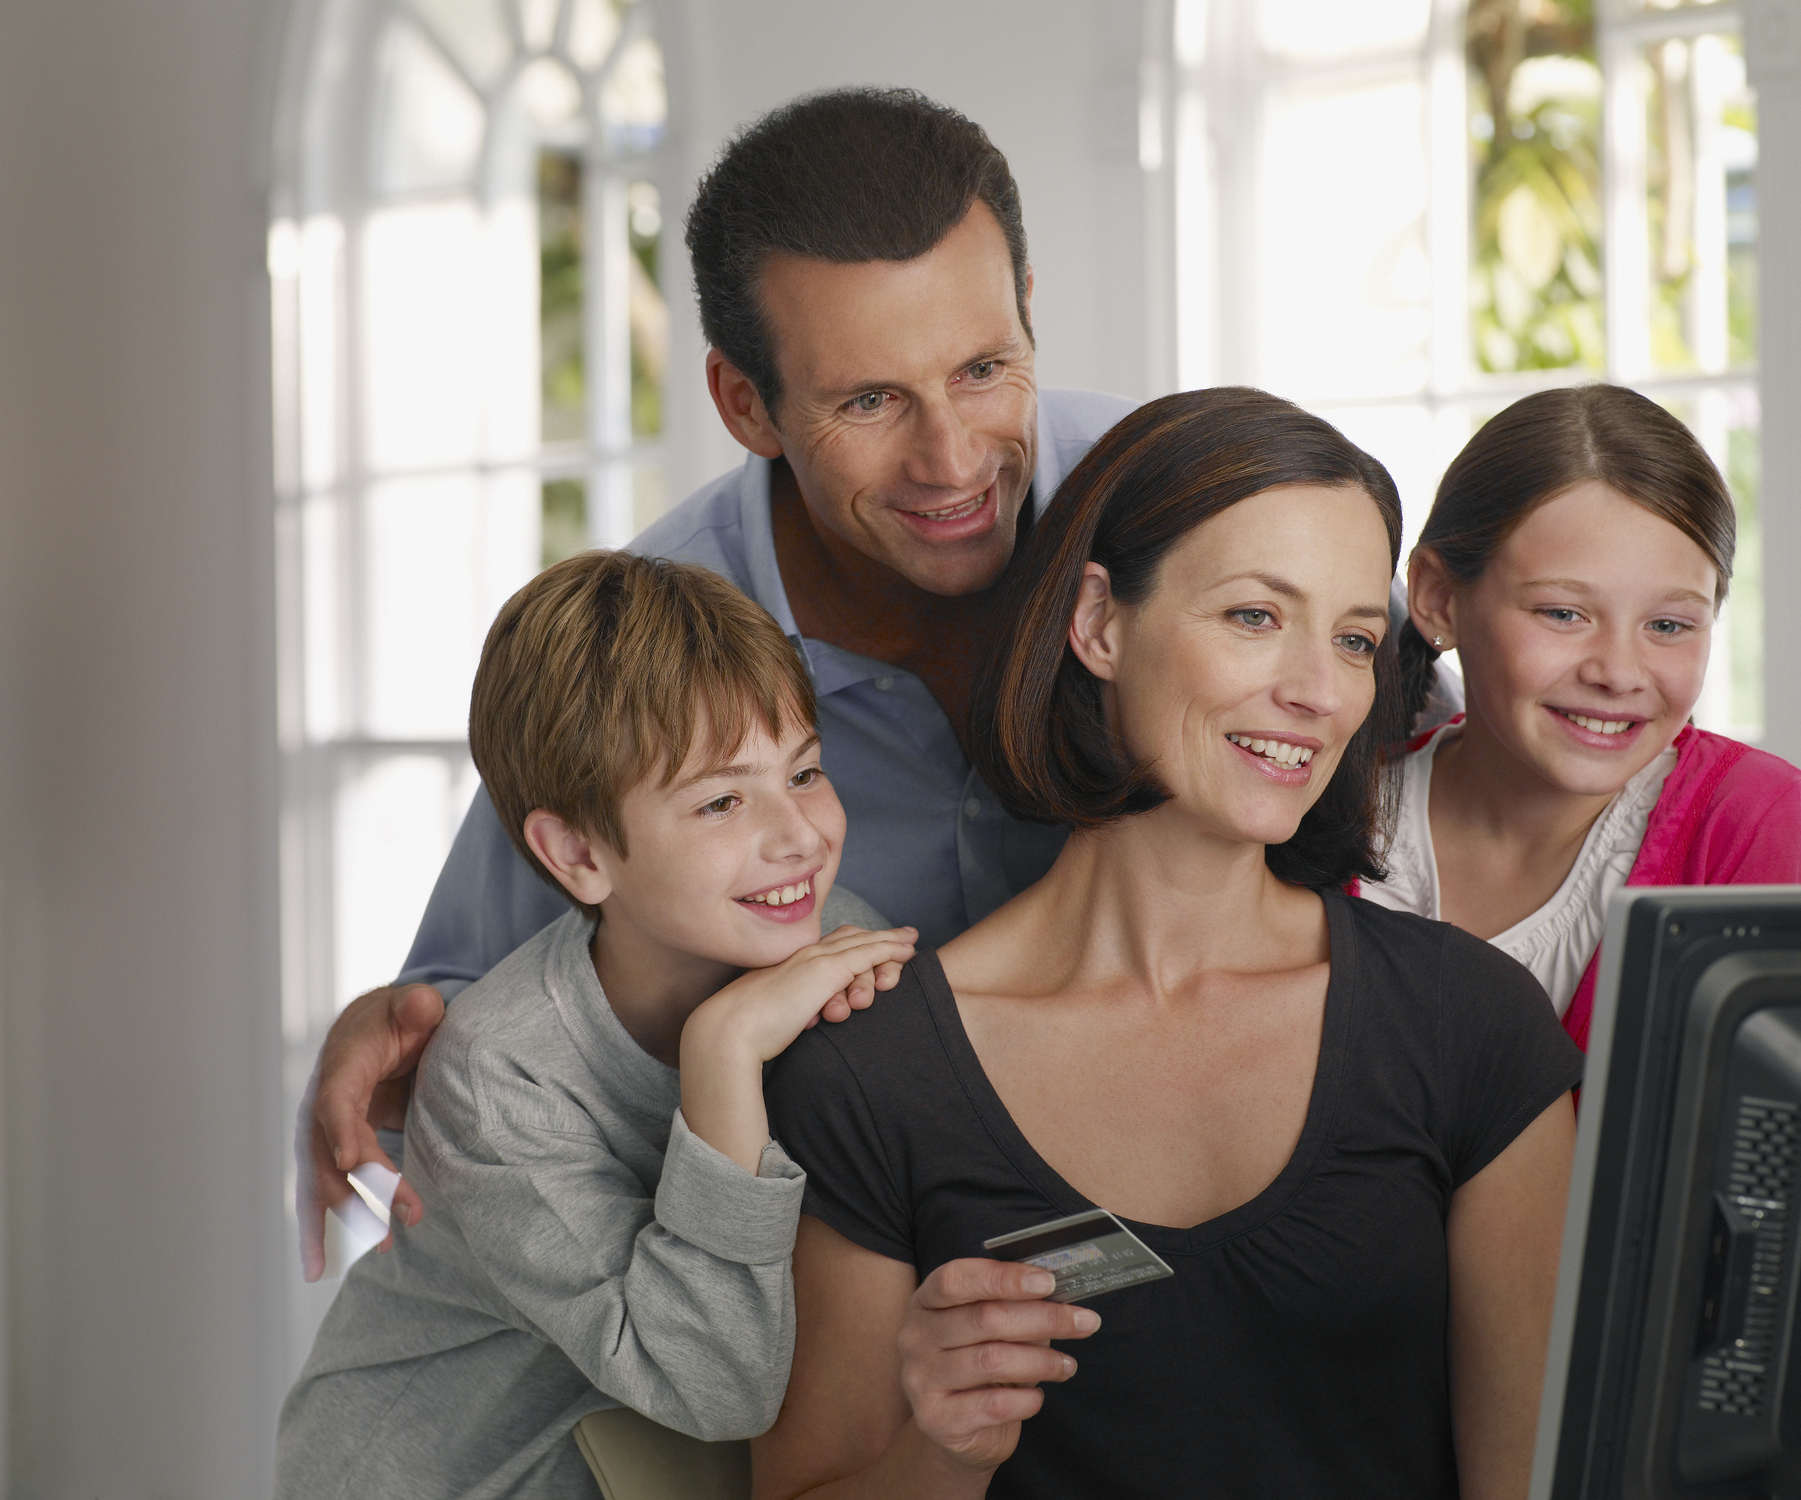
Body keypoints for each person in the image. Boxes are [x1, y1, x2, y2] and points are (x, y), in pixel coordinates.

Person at [292, 82, 1468, 1278]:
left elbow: (1433, 749)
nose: (952, 460)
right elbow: (480, 1015)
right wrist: (396, 1035)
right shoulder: (648, 639)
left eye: (981, 369)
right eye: (867, 401)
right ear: (744, 404)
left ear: (1026, 317)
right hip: (840, 1283)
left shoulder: (1180, 506)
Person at [754, 388, 1582, 1499]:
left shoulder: (1472, 1029)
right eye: (1253, 616)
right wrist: (937, 1452)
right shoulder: (869, 1068)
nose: (1315, 693)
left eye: (1353, 640)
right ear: (1097, 623)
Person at [276, 552, 916, 1496]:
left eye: (806, 771)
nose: (799, 835)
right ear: (576, 853)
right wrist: (725, 1055)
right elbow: (716, 1387)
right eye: (722, 800)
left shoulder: (834, 934)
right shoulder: (501, 1077)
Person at [1366, 385, 1801, 1050]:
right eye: (1562, 613)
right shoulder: (1334, 814)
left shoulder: (1747, 816)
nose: (1616, 671)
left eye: (1667, 624)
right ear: (1439, 598)